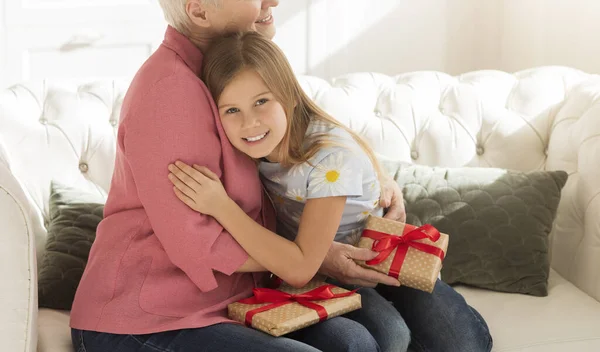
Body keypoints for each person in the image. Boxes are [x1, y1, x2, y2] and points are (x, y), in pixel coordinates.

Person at [69, 1, 404, 351]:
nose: (271, 2)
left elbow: (297, 148)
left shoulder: (230, 69)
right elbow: (195, 240)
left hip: (232, 300)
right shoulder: (170, 91)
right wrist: (309, 257)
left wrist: (372, 178)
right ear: (199, 12)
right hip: (148, 319)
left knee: (358, 341)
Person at [168, 30, 410, 352]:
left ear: (290, 96)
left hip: (370, 253)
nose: (250, 123)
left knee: (434, 337)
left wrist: (221, 206)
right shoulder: (243, 151)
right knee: (380, 337)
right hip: (319, 266)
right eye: (231, 110)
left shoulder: (331, 160)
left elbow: (299, 268)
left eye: (261, 102)